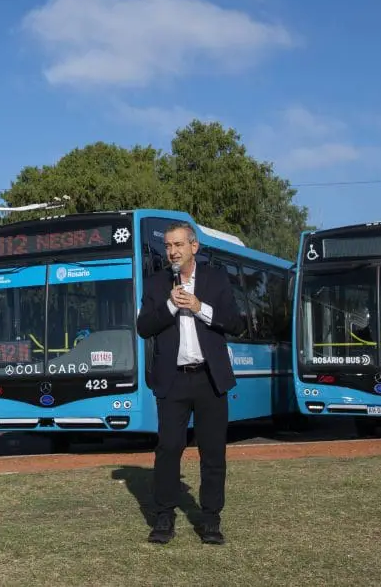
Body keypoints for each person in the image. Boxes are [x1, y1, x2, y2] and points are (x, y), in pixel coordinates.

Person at [136, 221, 245, 545]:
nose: (172, 251)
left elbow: (236, 323)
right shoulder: (156, 284)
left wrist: (199, 308)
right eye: (168, 246)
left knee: (213, 453)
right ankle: (164, 516)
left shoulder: (216, 279)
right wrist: (171, 305)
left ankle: (210, 519)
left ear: (194, 247)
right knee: (168, 449)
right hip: (173, 381)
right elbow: (144, 327)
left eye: (179, 245)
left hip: (210, 379)